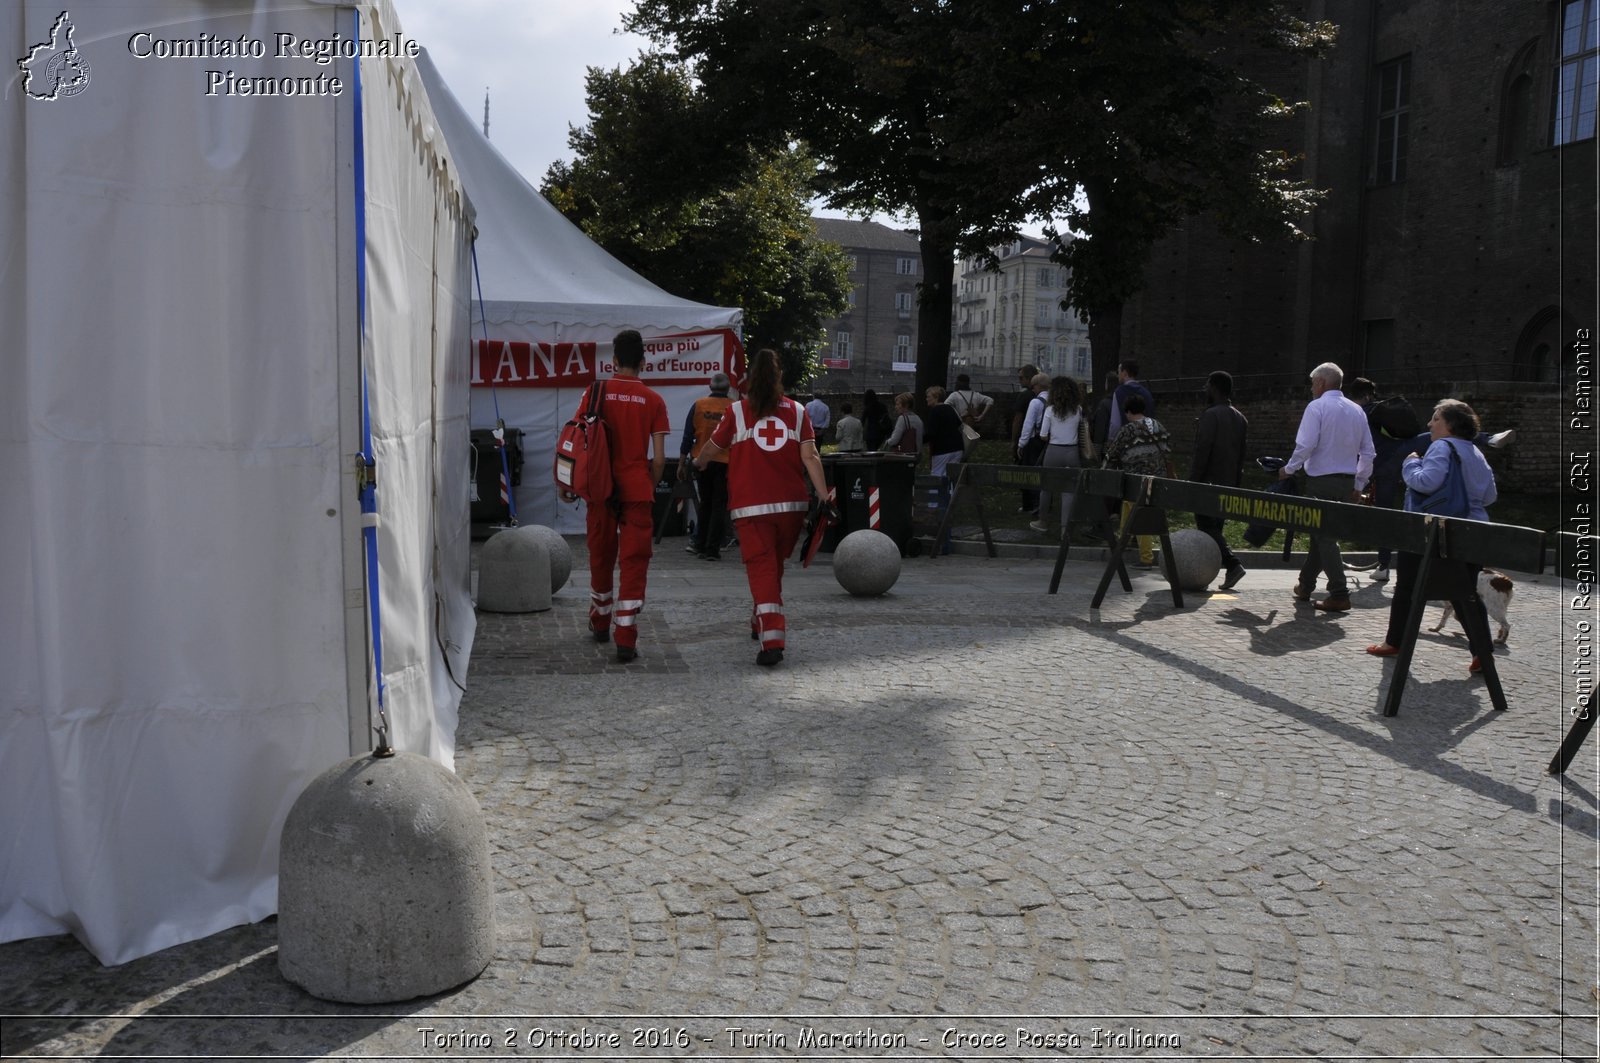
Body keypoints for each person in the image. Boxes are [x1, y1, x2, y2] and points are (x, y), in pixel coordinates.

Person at [696, 348, 833, 667]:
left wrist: (697, 463)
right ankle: (760, 618)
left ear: (749, 379)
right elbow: (811, 457)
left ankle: (772, 639)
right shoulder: (798, 411)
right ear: (779, 377)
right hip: (791, 506)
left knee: (761, 567)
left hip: (752, 506)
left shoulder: (737, 412)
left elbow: (713, 448)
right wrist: (824, 497)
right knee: (772, 566)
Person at [558, 329, 669, 663]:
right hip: (637, 491)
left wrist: (568, 483)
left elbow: (577, 440)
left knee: (601, 556)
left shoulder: (595, 391)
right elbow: (660, 459)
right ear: (644, 364)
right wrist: (648, 483)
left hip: (600, 489)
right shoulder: (654, 401)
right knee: (635, 563)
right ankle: (626, 636)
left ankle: (600, 620)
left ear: (615, 361)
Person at [1365, 399, 1498, 673]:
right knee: (1465, 594)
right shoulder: (1475, 452)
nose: (1429, 424)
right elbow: (1489, 496)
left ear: (1449, 425)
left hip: (1432, 531)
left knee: (1406, 588)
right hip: (1472, 531)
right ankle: (1483, 653)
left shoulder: (1441, 446)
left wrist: (1411, 464)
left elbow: (1426, 482)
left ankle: (1395, 642)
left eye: (1435, 418)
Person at [1280, 362, 1374, 613]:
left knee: (1325, 538)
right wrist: (1359, 483)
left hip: (1321, 482)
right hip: (1346, 482)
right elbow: (1368, 452)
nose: (1311, 388)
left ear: (1321, 383)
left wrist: (1288, 469)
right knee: (1320, 537)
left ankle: (1339, 593)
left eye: (1313, 383)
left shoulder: (1317, 407)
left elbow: (1305, 445)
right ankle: (1306, 585)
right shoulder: (1357, 411)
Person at [1189, 370, 1249, 590]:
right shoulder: (1240, 418)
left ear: (1214, 388)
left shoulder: (1211, 415)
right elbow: (1242, 455)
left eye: (1207, 385)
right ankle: (1222, 568)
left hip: (1208, 482)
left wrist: (1193, 480)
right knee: (1216, 529)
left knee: (1207, 526)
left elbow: (1202, 450)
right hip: (1228, 482)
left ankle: (1232, 563)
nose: (1205, 389)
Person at [1102, 393, 1171, 567]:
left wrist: (1104, 470)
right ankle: (1123, 543)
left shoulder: (1128, 430)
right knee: (1128, 507)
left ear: (1127, 411)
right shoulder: (1159, 425)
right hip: (1158, 478)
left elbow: (1113, 453)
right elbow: (1167, 451)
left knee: (1141, 516)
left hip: (1136, 480)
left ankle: (1146, 558)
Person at [677, 371, 734, 560]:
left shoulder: (699, 405)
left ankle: (700, 544)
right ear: (727, 388)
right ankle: (712, 549)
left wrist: (681, 463)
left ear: (711, 387)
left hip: (701, 461)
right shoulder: (734, 407)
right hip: (725, 462)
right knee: (719, 505)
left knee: (705, 504)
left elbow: (687, 437)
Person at [1032, 376, 1086, 537]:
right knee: (1068, 492)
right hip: (1072, 452)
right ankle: (1065, 529)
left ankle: (1042, 521)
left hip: (1053, 451)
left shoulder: (1050, 411)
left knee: (1046, 488)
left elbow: (1043, 435)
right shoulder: (1078, 410)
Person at [1013, 371, 1050, 514]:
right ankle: (1045, 503)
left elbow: (1028, 425)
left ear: (1038, 386)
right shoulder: (1053, 402)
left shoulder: (1035, 402)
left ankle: (1031, 504)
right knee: (1045, 472)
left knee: (1029, 472)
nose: (1033, 389)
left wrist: (1021, 444)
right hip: (1048, 442)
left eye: (1033, 386)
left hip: (1034, 441)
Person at [947, 373, 993, 457]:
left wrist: (958, 415)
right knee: (969, 446)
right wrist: (981, 415)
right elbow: (990, 400)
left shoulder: (955, 395)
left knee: (960, 447)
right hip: (972, 425)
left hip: (961, 425)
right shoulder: (976, 395)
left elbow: (946, 405)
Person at [924, 386, 965, 480]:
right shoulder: (950, 409)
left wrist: (919, 440)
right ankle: (950, 494)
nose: (926, 399)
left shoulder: (935, 411)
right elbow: (959, 424)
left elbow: (932, 433)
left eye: (928, 396)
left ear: (936, 397)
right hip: (957, 448)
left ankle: (936, 494)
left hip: (942, 450)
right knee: (951, 477)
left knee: (937, 476)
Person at [1107, 359, 1155, 438]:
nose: (1118, 375)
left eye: (1119, 372)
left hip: (1126, 439)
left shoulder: (1119, 392)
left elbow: (1115, 424)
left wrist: (1112, 439)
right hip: (1145, 439)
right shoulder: (1146, 393)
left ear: (1125, 373)